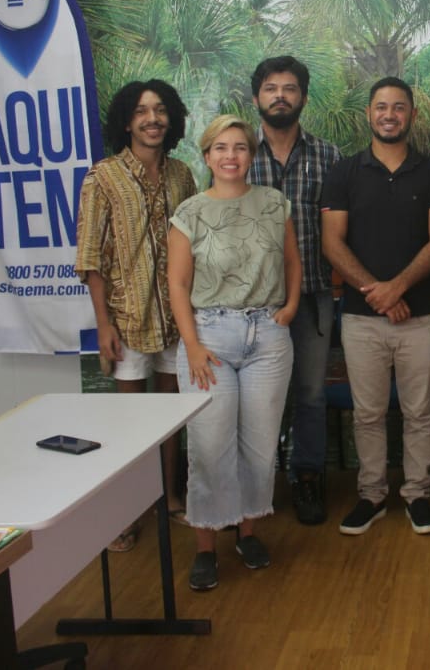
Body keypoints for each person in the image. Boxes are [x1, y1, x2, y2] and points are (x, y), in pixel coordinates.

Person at [167, 115, 300, 592]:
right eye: (220, 148)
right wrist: (193, 346)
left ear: (251, 155)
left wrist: (289, 308)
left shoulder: (273, 204)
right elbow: (178, 284)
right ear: (207, 157)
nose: (230, 156)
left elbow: (290, 261)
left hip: (267, 337)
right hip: (211, 338)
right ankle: (205, 547)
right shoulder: (190, 213)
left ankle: (247, 532)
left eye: (240, 147)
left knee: (260, 445)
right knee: (208, 446)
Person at [322, 77, 430, 537]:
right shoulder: (344, 173)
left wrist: (395, 288)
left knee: (419, 412)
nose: (390, 114)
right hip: (361, 319)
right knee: (368, 413)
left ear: (411, 115)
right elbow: (331, 242)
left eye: (399, 107)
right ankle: (372, 495)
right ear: (369, 114)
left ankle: (418, 495)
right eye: (381, 106)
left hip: (419, 316)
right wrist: (376, 292)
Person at [75, 79, 196, 552]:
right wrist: (103, 323)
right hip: (126, 319)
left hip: (174, 318)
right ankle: (124, 513)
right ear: (127, 121)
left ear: (172, 119)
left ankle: (166, 498)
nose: (153, 119)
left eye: (161, 110)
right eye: (143, 111)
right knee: (130, 421)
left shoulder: (182, 175)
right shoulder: (102, 177)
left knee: (168, 417)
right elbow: (90, 257)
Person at [247, 55, 341, 526]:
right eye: (270, 88)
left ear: (302, 97)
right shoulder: (237, 154)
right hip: (253, 305)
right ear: (257, 97)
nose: (279, 95)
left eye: (289, 88)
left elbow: (344, 229)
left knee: (310, 394)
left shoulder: (328, 156)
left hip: (314, 298)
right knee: (260, 397)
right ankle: (257, 486)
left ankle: (307, 478)